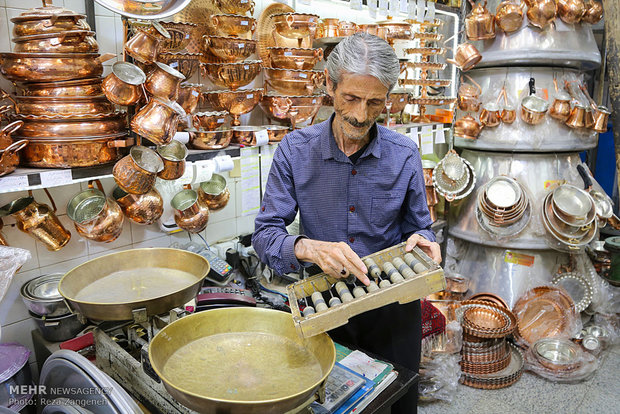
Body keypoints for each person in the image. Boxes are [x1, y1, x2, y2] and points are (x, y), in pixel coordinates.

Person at [252, 32, 441, 413]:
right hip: (325, 307)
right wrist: (306, 247)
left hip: (392, 309)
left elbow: (419, 227)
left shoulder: (403, 154)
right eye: (350, 98)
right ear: (329, 84)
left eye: (375, 103)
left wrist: (423, 240)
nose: (360, 115)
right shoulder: (295, 151)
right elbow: (265, 234)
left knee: (397, 403)